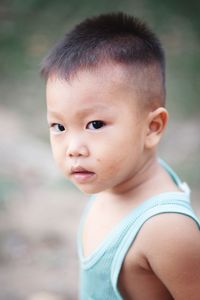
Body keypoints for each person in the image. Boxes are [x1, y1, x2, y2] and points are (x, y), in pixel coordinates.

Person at [40, 12, 200, 300]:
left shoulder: (166, 231)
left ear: (152, 128)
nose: (73, 147)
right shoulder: (115, 176)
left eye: (96, 125)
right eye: (59, 126)